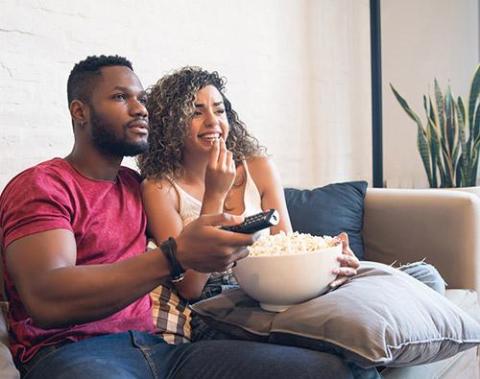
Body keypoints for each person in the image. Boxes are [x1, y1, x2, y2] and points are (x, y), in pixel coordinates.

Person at [0, 55, 358, 379]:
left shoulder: (132, 186)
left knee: (330, 372)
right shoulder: (43, 185)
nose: (141, 109)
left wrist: (322, 258)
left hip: (159, 349)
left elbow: (277, 248)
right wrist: (174, 255)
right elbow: (46, 299)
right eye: (121, 97)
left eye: (141, 98)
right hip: (73, 353)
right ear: (80, 112)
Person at [139, 66, 446, 344]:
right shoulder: (160, 188)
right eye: (196, 112)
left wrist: (327, 261)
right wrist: (215, 196)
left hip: (279, 285)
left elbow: (283, 247)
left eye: (219, 110)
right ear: (171, 125)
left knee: (425, 276)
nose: (213, 122)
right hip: (222, 301)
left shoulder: (257, 166)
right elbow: (190, 289)